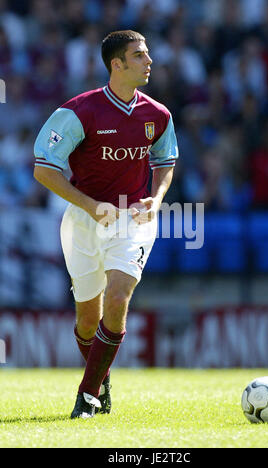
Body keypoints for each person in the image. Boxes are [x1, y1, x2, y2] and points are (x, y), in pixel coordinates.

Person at [33, 30, 178, 419]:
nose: (149, 61)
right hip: (83, 219)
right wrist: (91, 206)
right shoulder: (79, 112)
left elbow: (166, 161)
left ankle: (88, 395)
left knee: (117, 298)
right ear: (117, 64)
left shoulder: (158, 115)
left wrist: (158, 198)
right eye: (139, 55)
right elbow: (44, 170)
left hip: (132, 219)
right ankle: (102, 377)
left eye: (147, 54)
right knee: (86, 319)